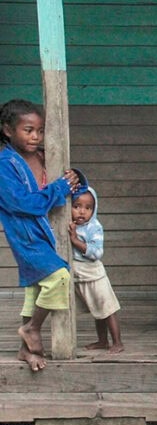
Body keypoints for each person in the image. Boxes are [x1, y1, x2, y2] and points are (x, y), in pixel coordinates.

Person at [0, 99, 81, 372]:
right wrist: (59, 189)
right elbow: (24, 203)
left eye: (40, 130)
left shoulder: (46, 156)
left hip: (45, 233)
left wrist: (74, 179)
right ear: (8, 131)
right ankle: (32, 329)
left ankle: (25, 351)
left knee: (35, 288)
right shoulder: (4, 164)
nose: (35, 136)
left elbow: (67, 188)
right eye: (28, 130)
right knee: (59, 276)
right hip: (26, 237)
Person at [68, 186, 124, 353]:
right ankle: (102, 341)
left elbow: (96, 252)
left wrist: (75, 240)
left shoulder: (94, 227)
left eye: (88, 208)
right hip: (79, 275)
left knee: (107, 308)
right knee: (96, 310)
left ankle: (117, 342)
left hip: (94, 275)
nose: (82, 212)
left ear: (94, 209)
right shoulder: (69, 225)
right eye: (76, 206)